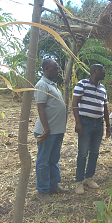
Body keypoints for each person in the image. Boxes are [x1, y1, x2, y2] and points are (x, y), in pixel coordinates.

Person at [72, 64, 110, 195]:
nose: (104, 72)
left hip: (98, 123)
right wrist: (78, 122)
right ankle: (79, 181)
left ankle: (89, 178)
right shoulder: (82, 84)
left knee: (94, 152)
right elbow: (74, 103)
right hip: (85, 122)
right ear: (94, 71)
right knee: (83, 153)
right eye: (102, 70)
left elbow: (105, 108)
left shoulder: (103, 88)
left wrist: (108, 126)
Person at [34, 59, 68, 203]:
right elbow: (40, 108)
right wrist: (46, 129)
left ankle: (53, 186)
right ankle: (42, 191)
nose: (58, 70)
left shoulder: (52, 85)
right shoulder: (42, 85)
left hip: (56, 131)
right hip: (46, 131)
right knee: (43, 161)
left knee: (53, 159)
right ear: (47, 68)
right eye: (56, 68)